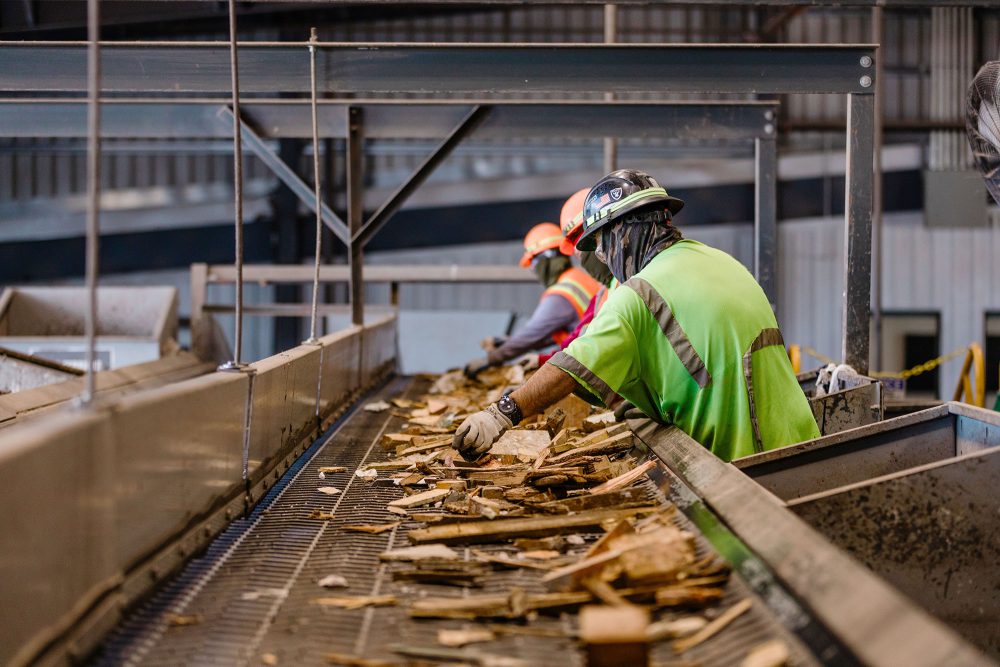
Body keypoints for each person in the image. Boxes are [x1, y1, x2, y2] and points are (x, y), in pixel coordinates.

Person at [454, 169, 820, 463]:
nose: (599, 256)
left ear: (622, 234)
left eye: (599, 243)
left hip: (748, 464)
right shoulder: (719, 260)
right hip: (805, 445)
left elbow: (570, 365)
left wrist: (501, 413)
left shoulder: (639, 293)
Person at [464, 220, 601, 377]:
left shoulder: (561, 294)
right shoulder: (579, 277)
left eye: (534, 262)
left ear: (546, 259)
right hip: (596, 355)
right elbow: (562, 331)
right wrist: (507, 340)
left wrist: (490, 359)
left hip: (591, 366)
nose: (534, 269)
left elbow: (532, 334)